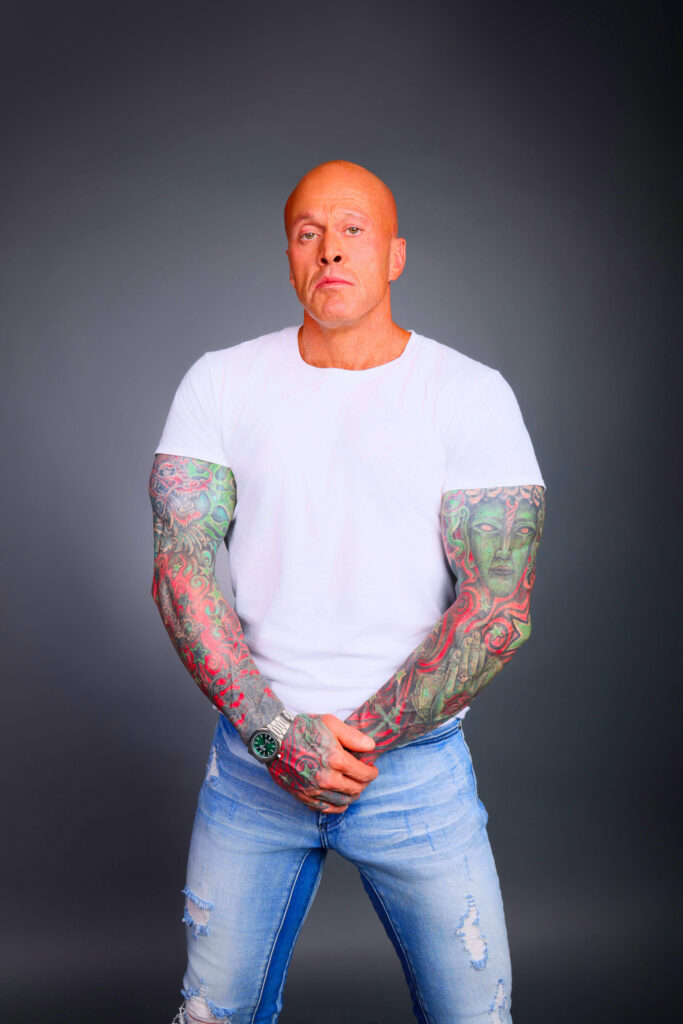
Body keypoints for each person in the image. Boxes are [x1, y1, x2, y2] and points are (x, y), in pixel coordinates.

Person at [149, 160, 546, 1024]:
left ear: (394, 255)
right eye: (308, 233)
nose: (330, 249)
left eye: (353, 230)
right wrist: (274, 737)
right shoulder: (220, 380)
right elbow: (182, 576)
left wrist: (342, 749)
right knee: (211, 1017)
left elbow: (496, 609)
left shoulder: (469, 394)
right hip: (252, 767)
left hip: (411, 770)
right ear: (290, 257)